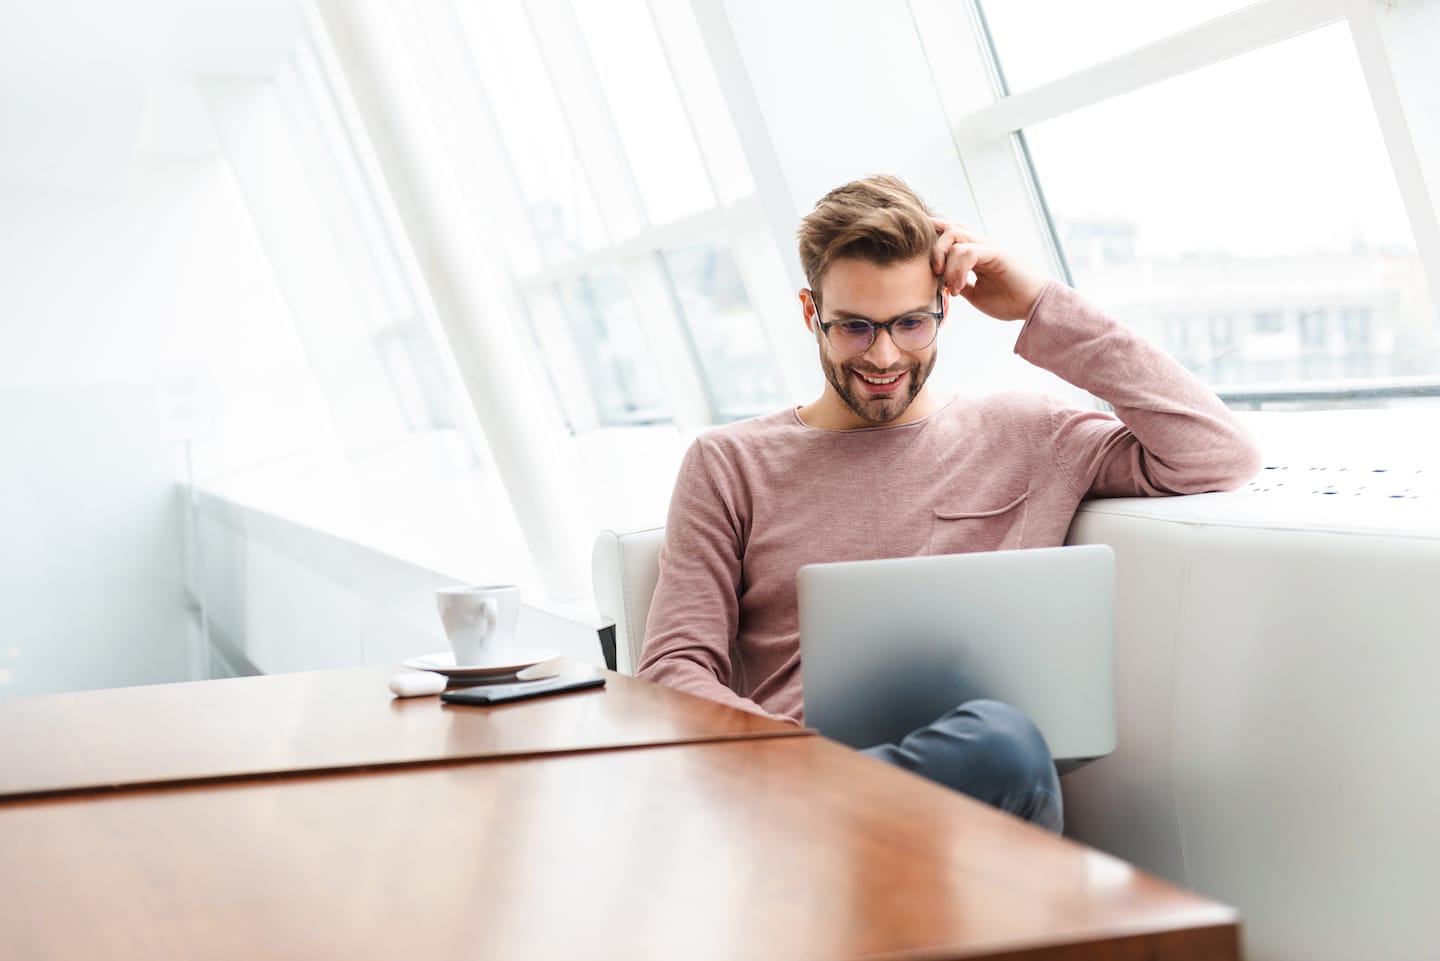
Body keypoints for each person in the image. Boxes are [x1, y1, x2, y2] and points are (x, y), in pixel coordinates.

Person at [635, 175, 1260, 832]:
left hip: (981, 800)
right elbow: (675, 667)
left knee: (999, 744)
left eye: (910, 323)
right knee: (1003, 744)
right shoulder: (730, 462)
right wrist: (795, 763)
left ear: (945, 309)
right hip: (795, 809)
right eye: (853, 327)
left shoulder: (1028, 434)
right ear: (808, 313)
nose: (883, 356)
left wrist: (1038, 304)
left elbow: (1218, 451)